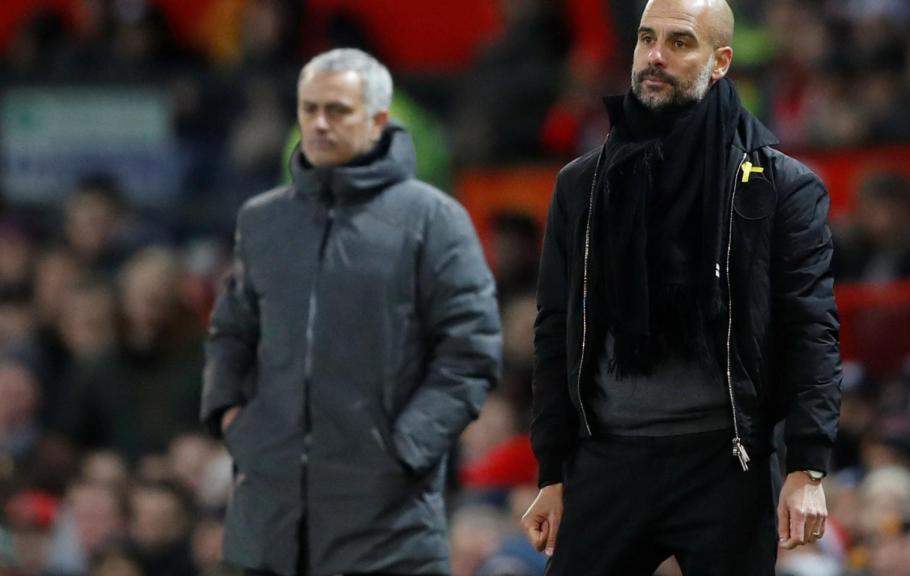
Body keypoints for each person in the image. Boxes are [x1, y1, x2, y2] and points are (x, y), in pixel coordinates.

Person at [521, 0, 842, 574]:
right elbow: (554, 331)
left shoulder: (780, 186)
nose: (655, 57)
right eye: (646, 39)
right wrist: (551, 470)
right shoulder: (581, 185)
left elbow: (810, 329)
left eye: (679, 42)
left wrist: (807, 466)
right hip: (608, 458)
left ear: (719, 61)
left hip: (727, 463)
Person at [201, 49, 502, 575]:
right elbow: (231, 331)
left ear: (379, 120)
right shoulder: (262, 220)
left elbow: (470, 354)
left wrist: (403, 449)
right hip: (265, 525)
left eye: (337, 110)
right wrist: (232, 419)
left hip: (388, 531)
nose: (318, 123)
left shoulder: (435, 221)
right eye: (308, 108)